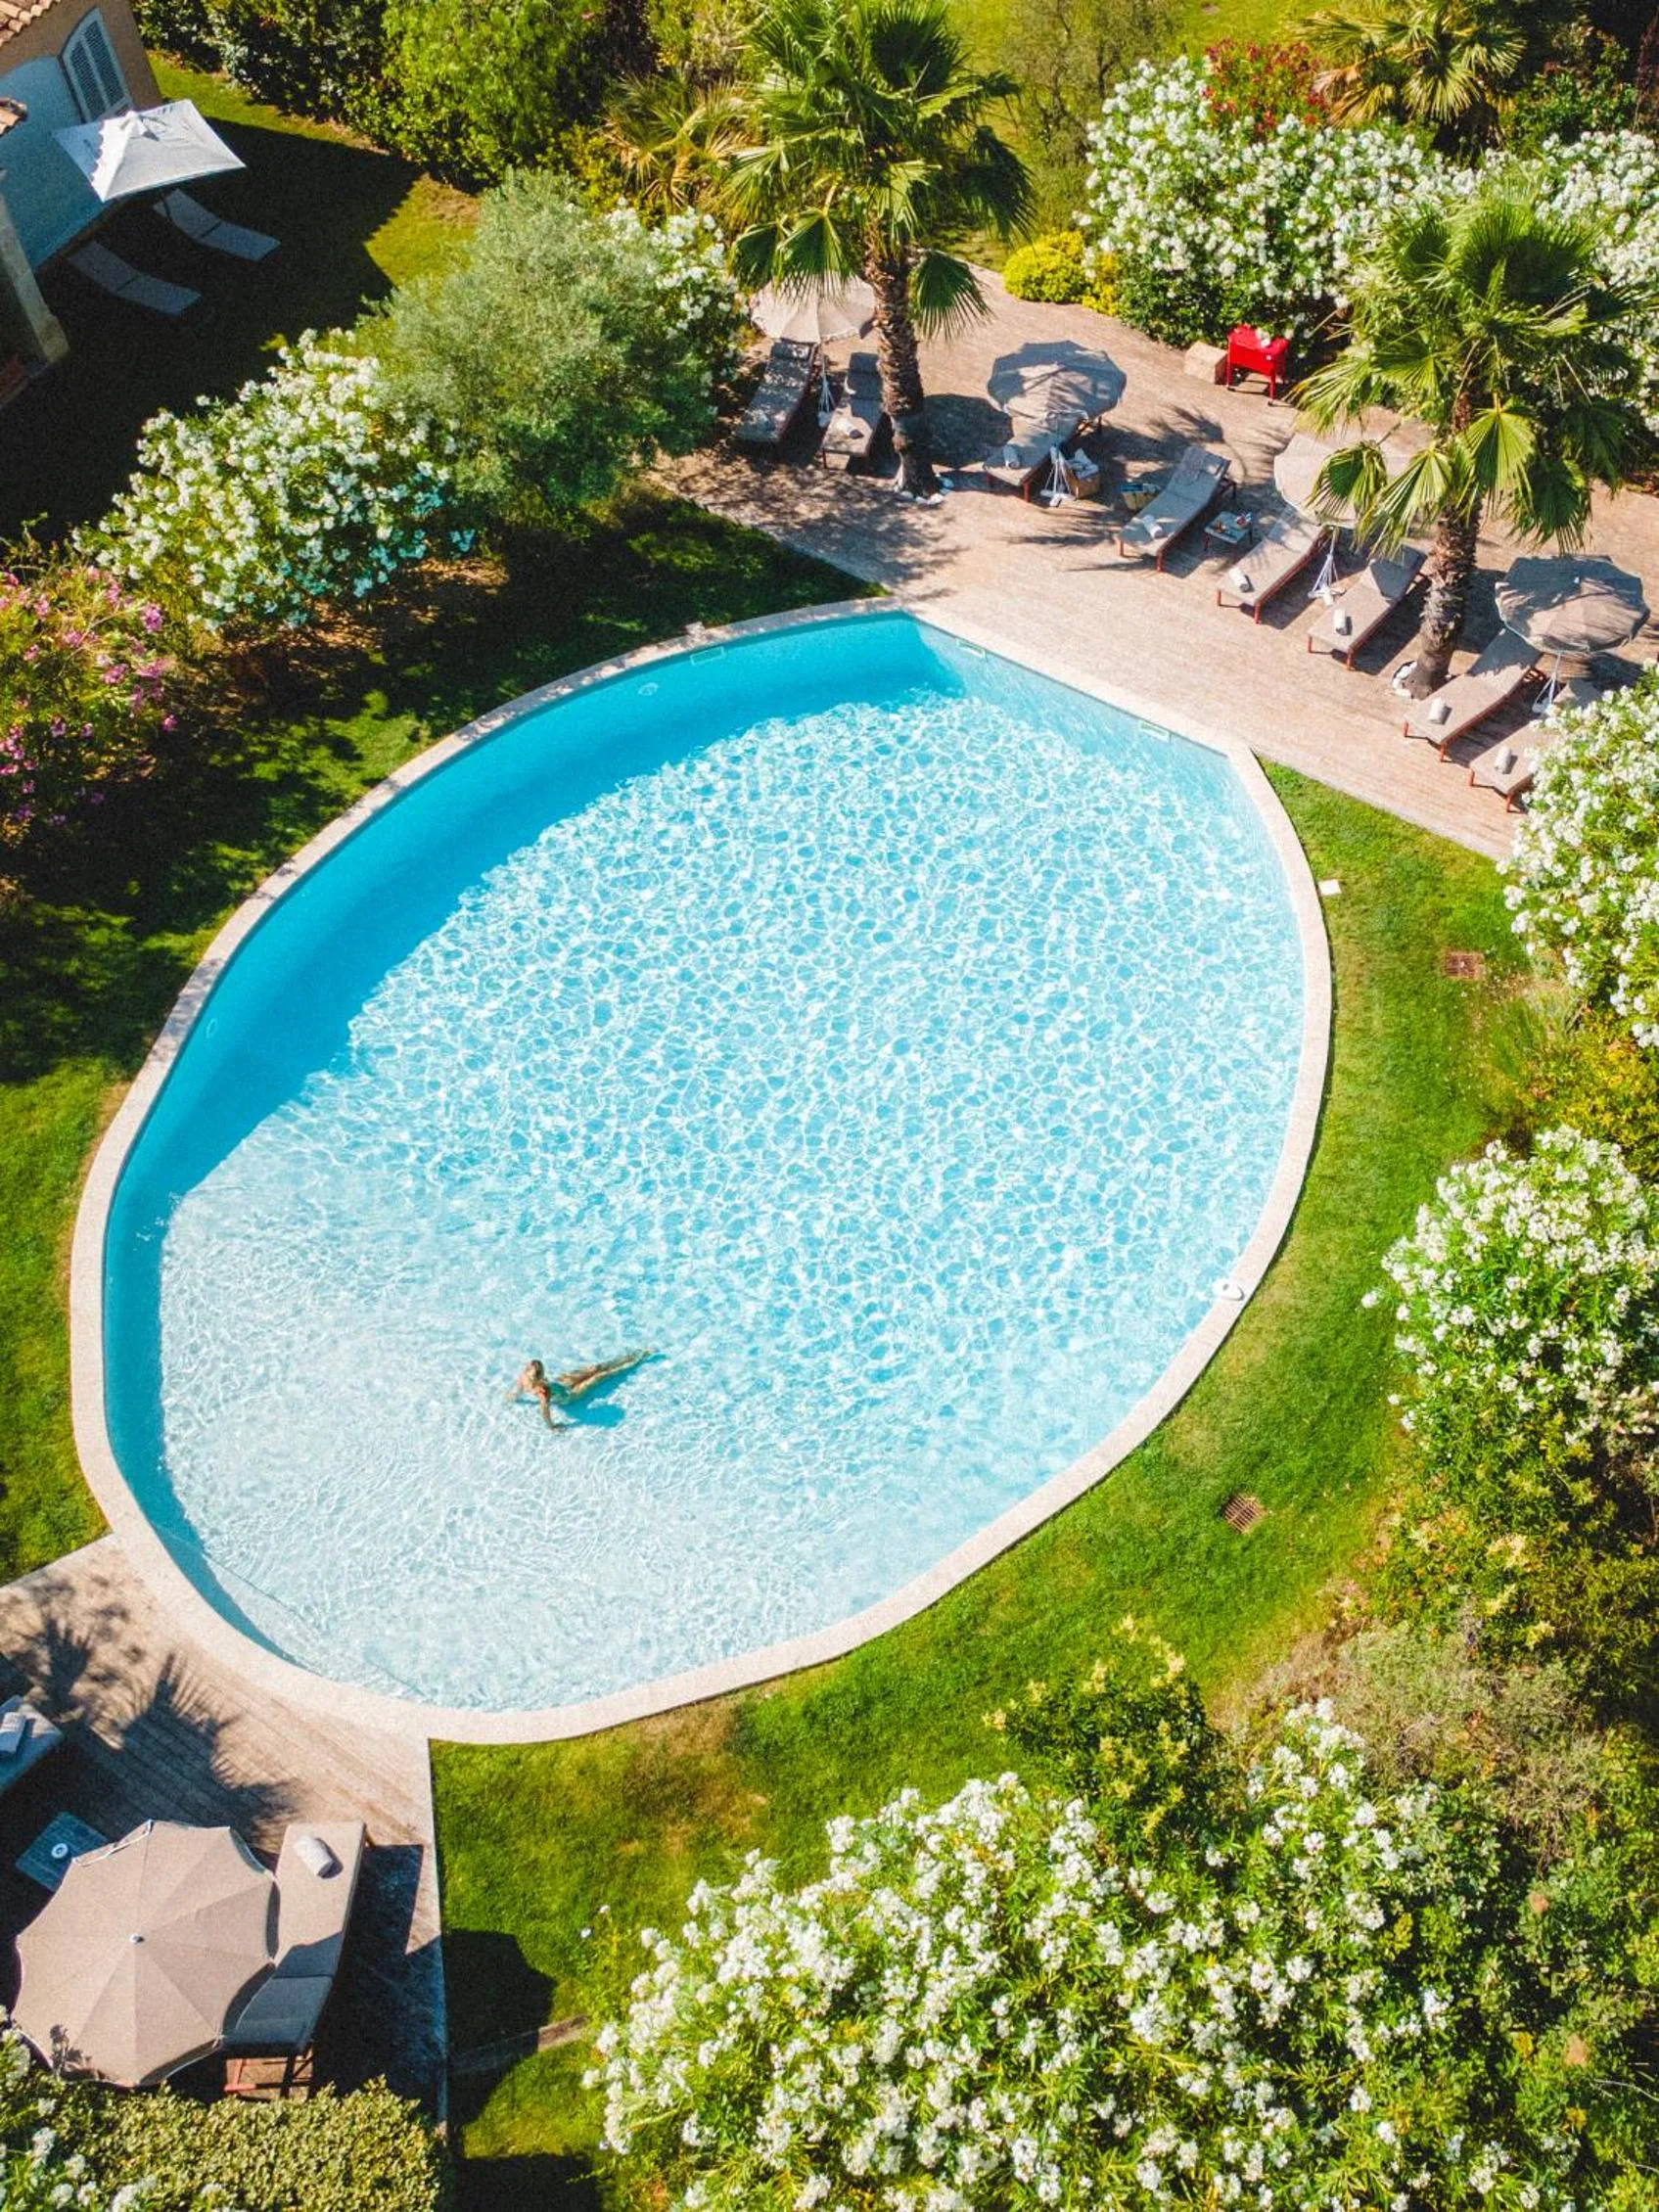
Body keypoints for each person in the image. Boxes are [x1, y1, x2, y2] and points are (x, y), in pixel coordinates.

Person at [511, 1350, 654, 1428]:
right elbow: (544, 1411)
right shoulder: (544, 1393)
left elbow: (519, 1389)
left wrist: (514, 1396)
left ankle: (632, 1355)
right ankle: (638, 1361)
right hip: (570, 1395)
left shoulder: (525, 1376)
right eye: (541, 1372)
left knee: (596, 1368)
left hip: (561, 1382)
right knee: (602, 1375)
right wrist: (552, 1426)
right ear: (538, 1377)